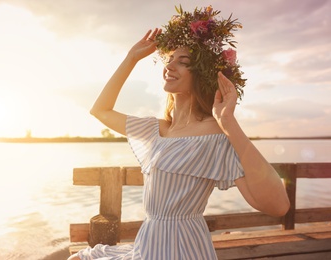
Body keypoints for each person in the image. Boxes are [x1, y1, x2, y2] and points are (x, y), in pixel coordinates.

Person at [69, 5, 290, 260]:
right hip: (148, 245)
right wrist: (131, 58)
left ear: (203, 76)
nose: (169, 66)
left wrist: (229, 123)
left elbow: (278, 206)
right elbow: (100, 110)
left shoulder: (216, 135)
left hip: (182, 249)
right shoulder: (158, 130)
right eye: (169, 60)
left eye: (182, 62)